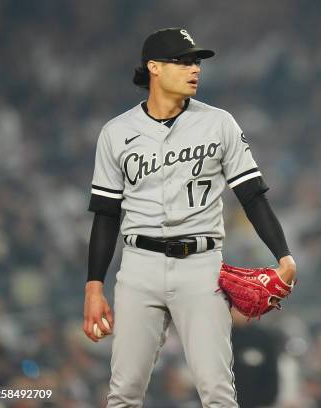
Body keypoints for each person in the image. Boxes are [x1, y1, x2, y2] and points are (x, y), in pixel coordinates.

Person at [82, 27, 296, 407]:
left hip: (201, 265)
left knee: (217, 391)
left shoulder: (219, 123)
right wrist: (94, 286)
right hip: (139, 266)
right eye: (183, 61)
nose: (194, 68)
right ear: (154, 68)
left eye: (196, 61)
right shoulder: (116, 133)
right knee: (124, 392)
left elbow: (253, 196)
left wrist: (284, 255)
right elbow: (105, 215)